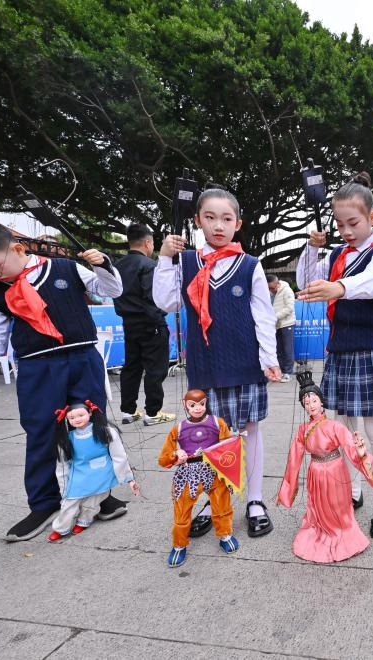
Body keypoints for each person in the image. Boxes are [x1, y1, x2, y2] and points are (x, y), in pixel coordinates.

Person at [0, 220, 127, 541]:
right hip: (37, 370)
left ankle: (98, 498)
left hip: (83, 360)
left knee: (90, 429)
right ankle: (44, 504)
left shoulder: (67, 269)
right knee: (42, 434)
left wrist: (103, 264)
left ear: (17, 249)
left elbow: (112, 290)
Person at [154, 188, 281, 540]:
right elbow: (166, 302)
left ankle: (255, 501)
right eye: (210, 217)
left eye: (227, 219)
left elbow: (263, 316)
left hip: (244, 363)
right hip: (205, 365)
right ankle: (214, 502)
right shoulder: (186, 262)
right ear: (197, 221)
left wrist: (269, 360)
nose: (218, 226)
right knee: (208, 437)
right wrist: (165, 259)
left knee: (249, 432)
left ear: (238, 223)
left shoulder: (250, 265)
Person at [296, 172, 373, 539]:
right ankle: (353, 489)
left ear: (372, 216)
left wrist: (338, 287)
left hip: (371, 349)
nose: (345, 230)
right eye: (339, 224)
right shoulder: (335, 253)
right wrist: (312, 249)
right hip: (340, 349)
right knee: (345, 426)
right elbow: (305, 280)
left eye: (353, 222)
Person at [276, 372, 373, 563]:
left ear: (321, 402)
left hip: (334, 470)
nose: (311, 405)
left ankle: (341, 531)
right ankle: (319, 529)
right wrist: (288, 488)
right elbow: (294, 458)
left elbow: (350, 448)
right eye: (306, 403)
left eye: (314, 400)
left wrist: (362, 453)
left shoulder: (334, 427)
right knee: (317, 507)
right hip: (315, 471)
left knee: (338, 506)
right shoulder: (302, 430)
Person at [158, 389, 238, 567]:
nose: (197, 408)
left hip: (214, 470)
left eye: (201, 404)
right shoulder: (177, 429)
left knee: (222, 504)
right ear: (184, 404)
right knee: (182, 511)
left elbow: (228, 447)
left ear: (207, 402)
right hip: (188, 473)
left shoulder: (218, 423)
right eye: (192, 405)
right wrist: (175, 455)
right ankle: (179, 545)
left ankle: (225, 534)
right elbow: (163, 459)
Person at [49, 400, 139, 542]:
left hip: (103, 473)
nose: (77, 420)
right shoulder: (66, 440)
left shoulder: (106, 431)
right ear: (66, 419)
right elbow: (62, 466)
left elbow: (119, 456)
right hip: (79, 475)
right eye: (72, 418)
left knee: (94, 500)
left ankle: (84, 521)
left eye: (80, 415)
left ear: (90, 413)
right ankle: (60, 528)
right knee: (69, 503)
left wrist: (129, 478)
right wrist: (63, 487)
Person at [114, 223, 174, 426]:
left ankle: (128, 411)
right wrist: (161, 317)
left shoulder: (117, 266)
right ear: (148, 242)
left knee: (132, 367)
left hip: (129, 323)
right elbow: (153, 298)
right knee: (156, 369)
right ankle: (153, 412)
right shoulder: (148, 265)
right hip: (151, 323)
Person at [267, 274, 296, 382]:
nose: (271, 290)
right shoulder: (268, 292)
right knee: (278, 349)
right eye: (269, 288)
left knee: (287, 349)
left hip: (287, 324)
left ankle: (288, 372)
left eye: (272, 288)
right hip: (275, 325)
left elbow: (290, 308)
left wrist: (275, 317)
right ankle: (279, 371)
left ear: (278, 283)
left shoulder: (287, 290)